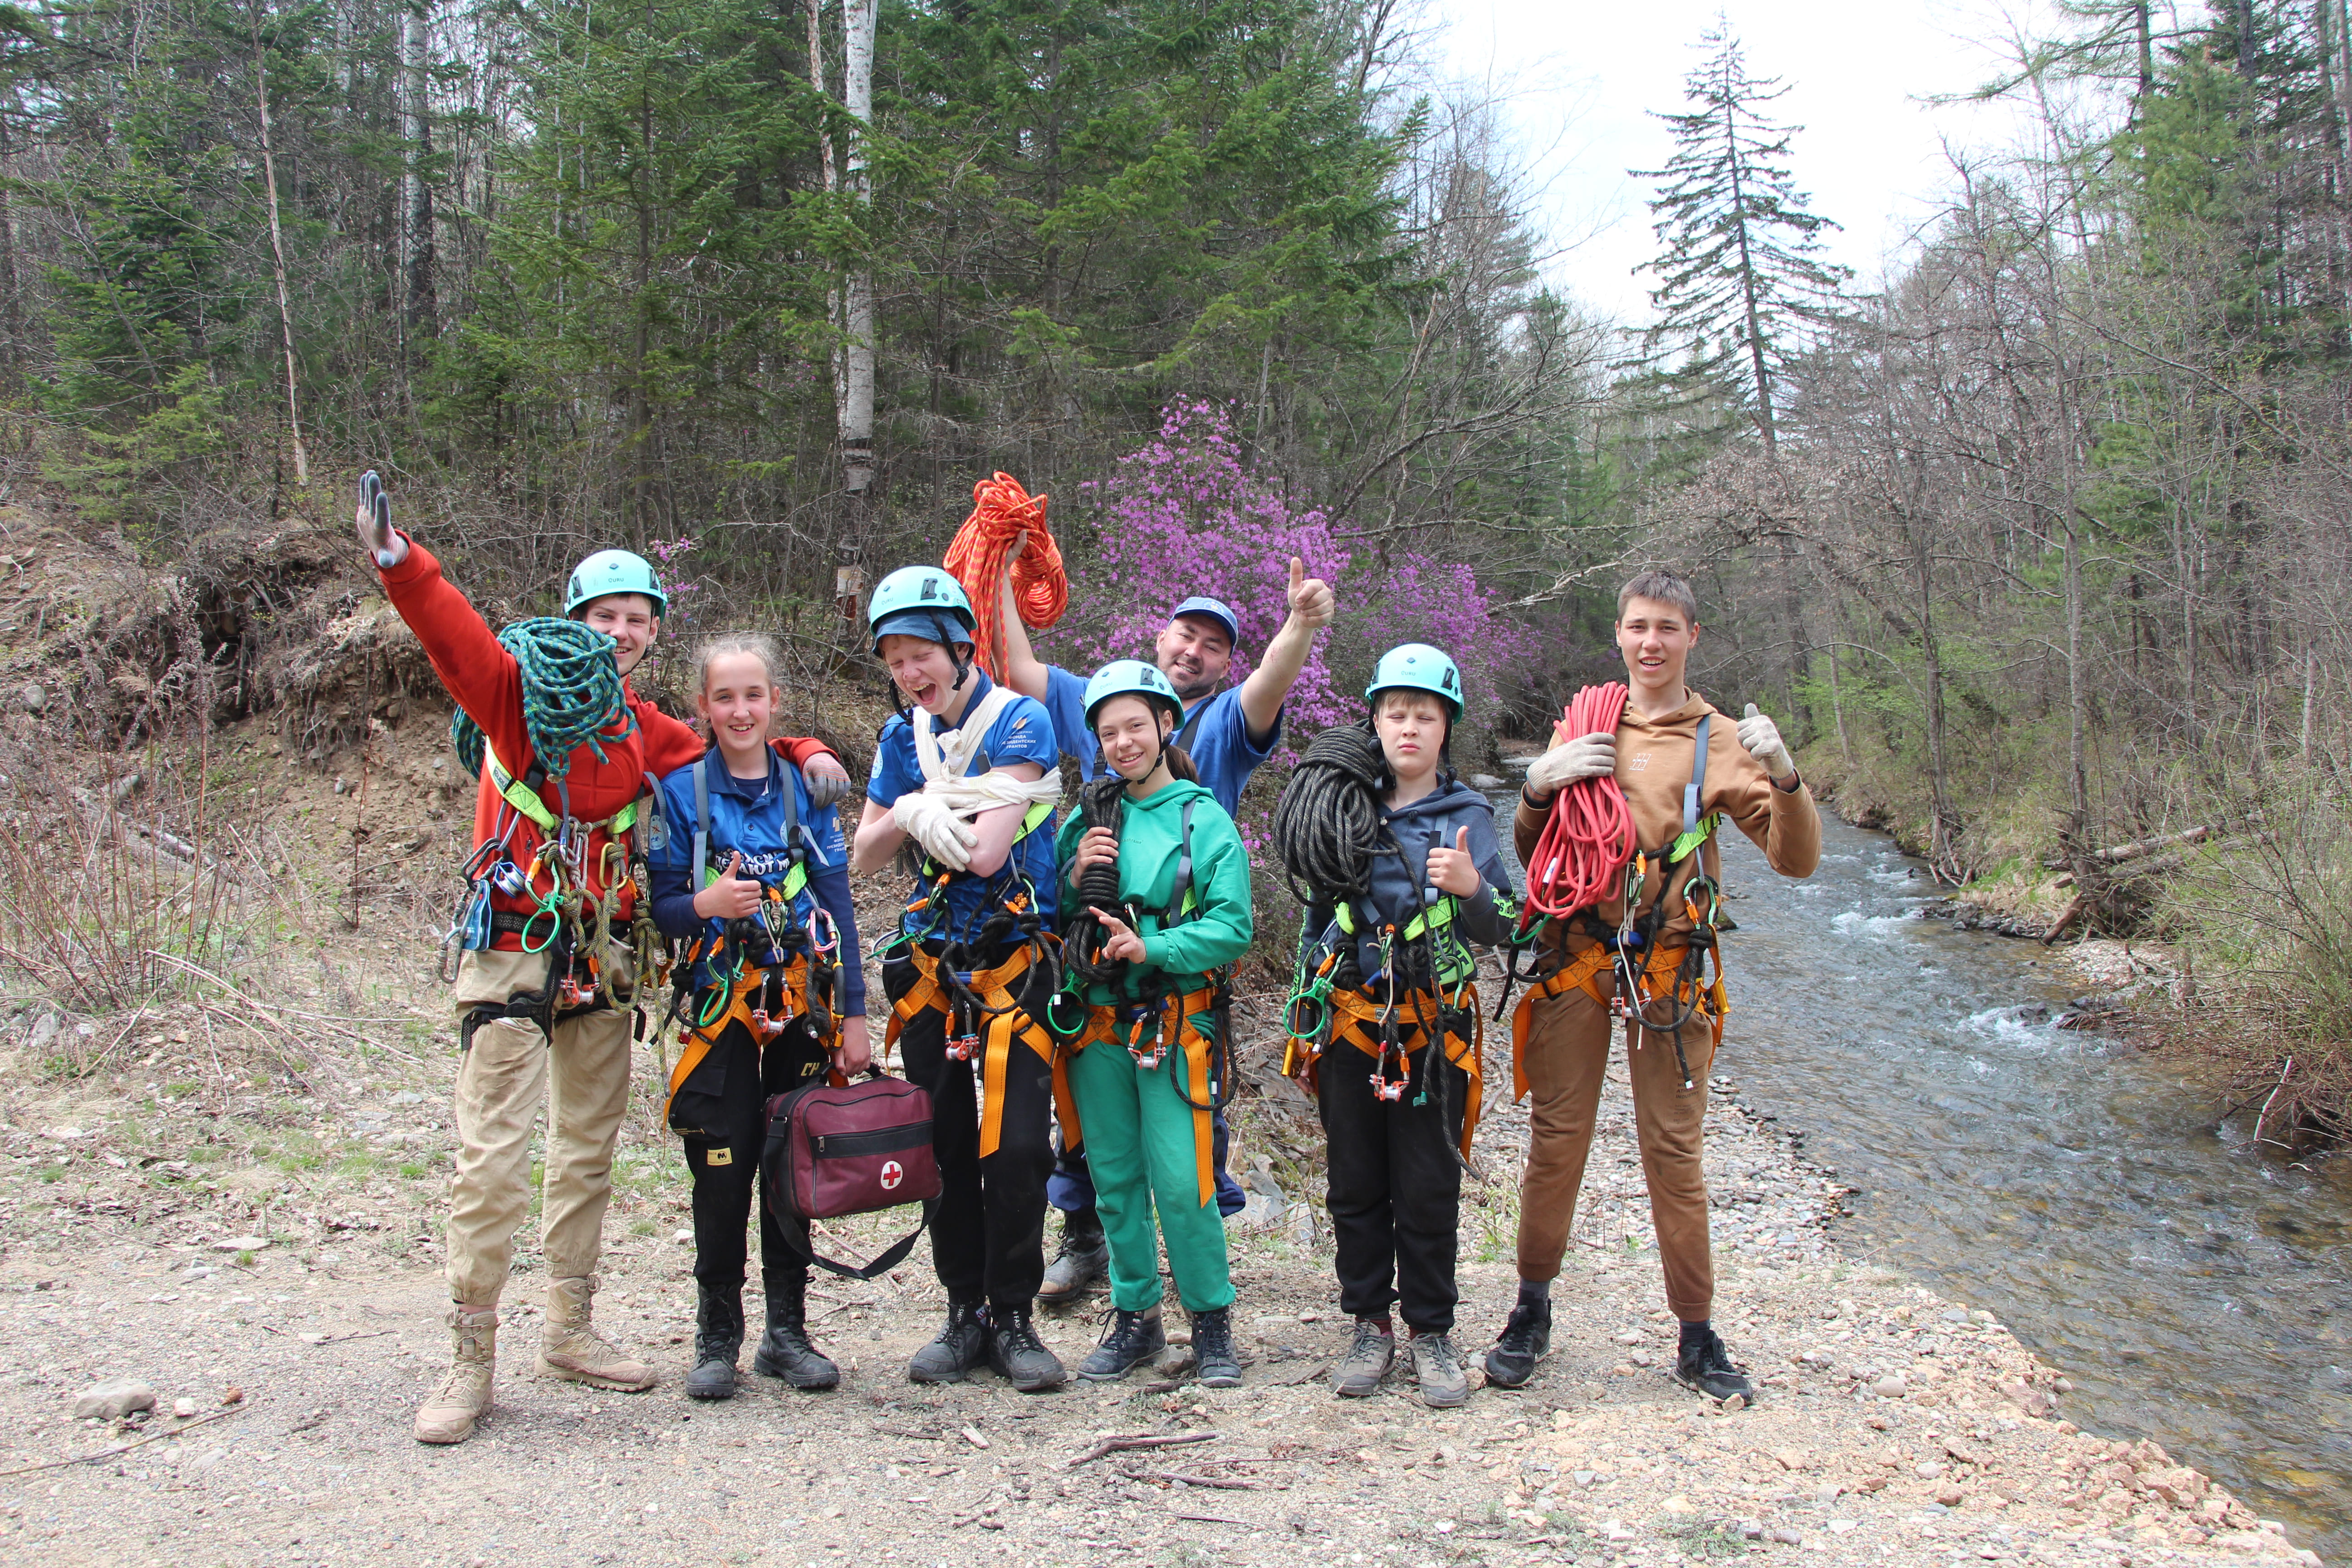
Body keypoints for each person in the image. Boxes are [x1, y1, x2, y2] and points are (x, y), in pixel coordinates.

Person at [355, 477, 851, 1446]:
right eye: (604, 616)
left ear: (654, 633)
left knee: (585, 1149)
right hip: (512, 950)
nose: (621, 631)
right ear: (574, 619)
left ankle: (569, 1328)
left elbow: (734, 736)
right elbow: (449, 632)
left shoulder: (649, 732)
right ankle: (470, 1361)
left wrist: (806, 742)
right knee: (492, 1155)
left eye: (637, 618)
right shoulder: (511, 697)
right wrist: (397, 556)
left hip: (607, 958)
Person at [1480, 570, 1820, 1402]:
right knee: (1557, 1141)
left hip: (1671, 966)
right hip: (1578, 956)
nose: (1651, 642)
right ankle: (1531, 1310)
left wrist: (1784, 776)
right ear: (1621, 636)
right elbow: (1538, 853)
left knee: (1674, 1152)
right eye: (1638, 626)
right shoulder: (1584, 722)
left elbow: (1797, 859)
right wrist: (1537, 786)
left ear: (1692, 637)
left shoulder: (1725, 739)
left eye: (1668, 627)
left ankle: (1697, 1335)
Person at [995, 544, 1336, 1300]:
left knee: (1189, 1135)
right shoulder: (1100, 699)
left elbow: (1270, 683)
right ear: (1160, 640)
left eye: (1215, 645)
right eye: (1188, 635)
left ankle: (1194, 1263)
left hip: (1178, 961)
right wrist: (995, 565)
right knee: (1090, 1127)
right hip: (1095, 964)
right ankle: (1094, 1250)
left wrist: (1300, 625)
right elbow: (1016, 666)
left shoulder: (1213, 728)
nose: (1197, 650)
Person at [1277, 645, 1516, 1408]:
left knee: (1427, 1183)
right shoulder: (1343, 803)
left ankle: (1432, 1331)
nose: (1408, 727)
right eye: (1395, 713)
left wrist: (1473, 887)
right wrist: (1303, 1005)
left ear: (1448, 727)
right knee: (1354, 1181)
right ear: (1374, 721)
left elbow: (1509, 928)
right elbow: (1318, 914)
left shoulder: (1470, 815)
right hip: (1350, 1021)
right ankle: (1368, 1323)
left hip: (1432, 1031)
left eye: (1425, 715)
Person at [850, 566, 1069, 1391]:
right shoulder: (900, 735)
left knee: (1013, 1147)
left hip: (1016, 957)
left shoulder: (1022, 720)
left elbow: (986, 853)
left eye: (922, 654)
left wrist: (914, 808)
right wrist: (913, 810)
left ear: (959, 645)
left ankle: (1014, 1315)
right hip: (935, 965)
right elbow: (863, 855)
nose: (913, 673)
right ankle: (962, 1312)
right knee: (944, 1140)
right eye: (896, 659)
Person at [647, 633, 871, 1400]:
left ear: (775, 703)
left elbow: (838, 904)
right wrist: (705, 905)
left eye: (753, 696)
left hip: (803, 1012)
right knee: (721, 1171)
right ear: (702, 708)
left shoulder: (805, 790)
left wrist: (857, 1015)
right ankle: (718, 1336)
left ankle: (787, 1332)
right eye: (724, 697)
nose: (740, 710)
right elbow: (663, 908)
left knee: (789, 1165)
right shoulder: (681, 794)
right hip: (721, 1013)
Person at [1051, 662, 1254, 1386]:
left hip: (1174, 1023)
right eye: (1108, 732)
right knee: (1113, 1179)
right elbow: (1048, 906)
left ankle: (1211, 1323)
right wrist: (1074, 872)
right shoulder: (1089, 816)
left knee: (1183, 1180)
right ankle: (1136, 1319)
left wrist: (1155, 946)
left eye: (1136, 726)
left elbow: (1233, 925)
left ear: (1167, 725)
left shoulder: (1204, 817)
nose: (1123, 742)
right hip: (1096, 1025)